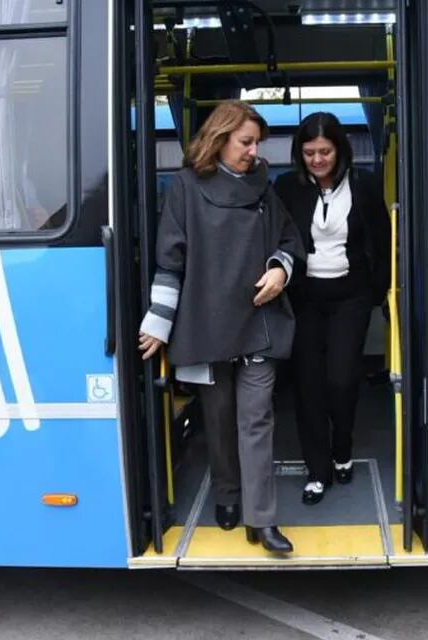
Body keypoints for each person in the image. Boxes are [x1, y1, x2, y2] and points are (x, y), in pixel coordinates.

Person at [138, 101, 304, 553]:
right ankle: (227, 494)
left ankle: (261, 520)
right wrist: (159, 323)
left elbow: (290, 241)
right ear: (220, 138)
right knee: (219, 419)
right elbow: (169, 260)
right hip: (206, 322)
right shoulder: (187, 188)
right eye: (245, 142)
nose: (253, 151)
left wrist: (279, 270)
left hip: (259, 320)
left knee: (256, 420)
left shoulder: (264, 188)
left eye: (256, 143)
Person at [274, 112, 390, 506]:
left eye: (325, 151)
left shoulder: (366, 185)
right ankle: (317, 470)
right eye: (309, 153)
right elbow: (277, 237)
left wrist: (378, 293)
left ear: (340, 150)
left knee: (341, 380)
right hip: (304, 297)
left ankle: (343, 447)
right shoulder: (287, 187)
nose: (317, 160)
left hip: (351, 297)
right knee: (308, 387)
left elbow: (382, 238)